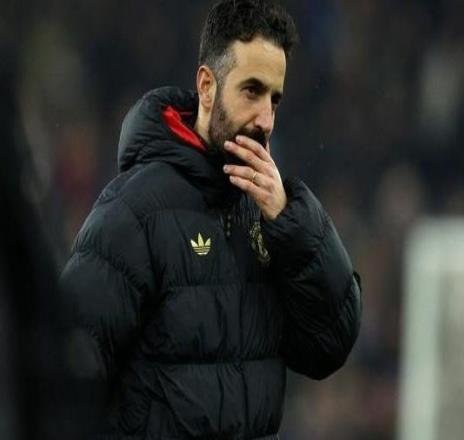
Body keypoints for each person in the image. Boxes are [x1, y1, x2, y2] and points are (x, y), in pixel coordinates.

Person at [60, 0, 362, 438]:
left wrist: (294, 224)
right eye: (252, 91)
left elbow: (330, 346)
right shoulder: (134, 213)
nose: (266, 119)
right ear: (206, 87)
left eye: (275, 99)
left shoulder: (274, 219)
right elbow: (64, 376)